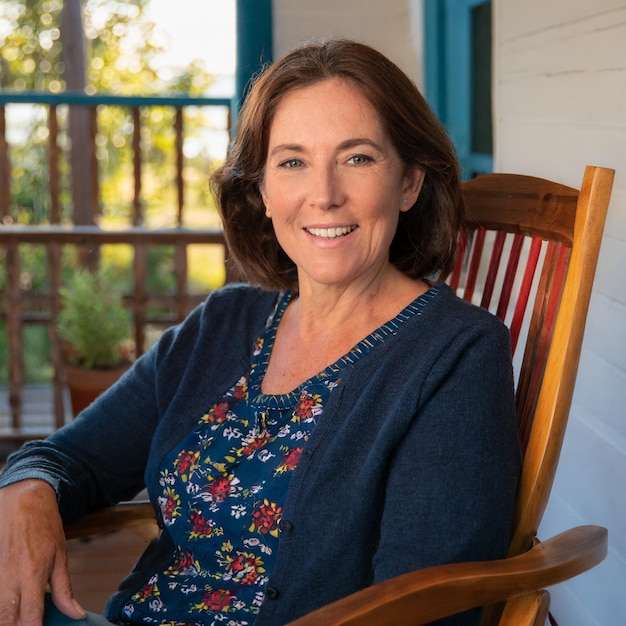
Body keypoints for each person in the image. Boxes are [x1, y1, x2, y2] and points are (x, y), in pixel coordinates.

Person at [0, 38, 521, 626]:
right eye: (293, 162)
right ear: (263, 192)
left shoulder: (456, 354)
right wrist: (29, 490)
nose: (323, 195)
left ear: (409, 183)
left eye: (358, 158)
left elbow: (423, 606)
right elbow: (69, 457)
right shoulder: (226, 323)